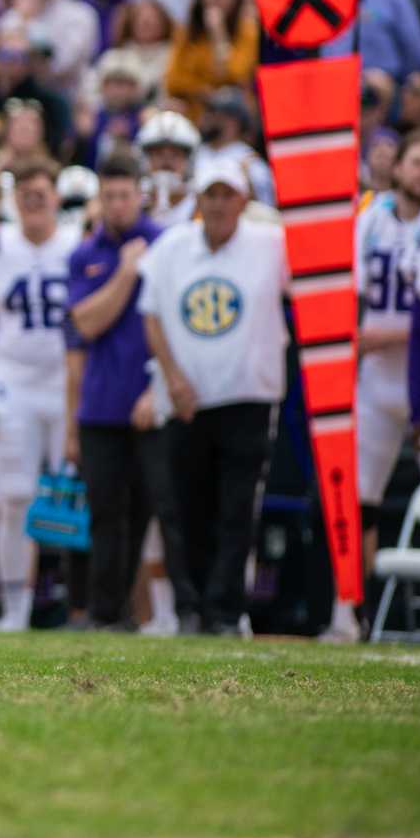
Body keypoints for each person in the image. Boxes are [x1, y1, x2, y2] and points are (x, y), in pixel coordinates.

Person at [139, 159, 289, 635]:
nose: (220, 204)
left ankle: (225, 610)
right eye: (211, 195)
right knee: (184, 509)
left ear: (244, 201)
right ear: (198, 201)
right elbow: (152, 315)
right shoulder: (171, 247)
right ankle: (191, 606)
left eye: (228, 195)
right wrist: (172, 379)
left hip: (248, 395)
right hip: (187, 399)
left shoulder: (272, 246)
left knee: (237, 510)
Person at [0, 159, 79, 632]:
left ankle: (90, 606)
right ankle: (15, 609)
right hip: (17, 382)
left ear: (55, 197)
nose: (32, 200)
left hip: (66, 382)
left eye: (40, 191)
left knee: (82, 498)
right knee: (14, 499)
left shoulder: (76, 242)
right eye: (24, 192)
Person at [65, 153, 177, 633]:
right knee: (105, 514)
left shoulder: (168, 245)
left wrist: (161, 389)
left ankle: (156, 612)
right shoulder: (84, 254)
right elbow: (84, 324)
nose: (116, 204)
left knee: (154, 510)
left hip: (151, 400)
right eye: (108, 196)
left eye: (124, 194)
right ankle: (104, 611)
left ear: (141, 195)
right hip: (99, 403)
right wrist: (126, 274)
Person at [355, 131, 420, 610]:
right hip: (376, 381)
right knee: (359, 497)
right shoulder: (371, 218)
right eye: (418, 161)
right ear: (399, 167)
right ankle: (355, 610)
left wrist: (384, 336)